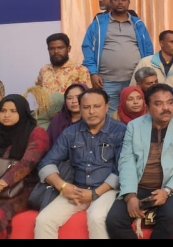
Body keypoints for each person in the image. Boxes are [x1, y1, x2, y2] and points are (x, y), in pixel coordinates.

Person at [106, 84, 173, 239]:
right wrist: (130, 196)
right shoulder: (135, 126)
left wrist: (167, 190)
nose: (166, 108)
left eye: (170, 102)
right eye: (159, 104)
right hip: (140, 185)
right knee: (114, 220)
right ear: (148, 107)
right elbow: (126, 161)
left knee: (168, 217)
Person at [34, 88, 126, 239]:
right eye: (86, 107)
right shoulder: (70, 132)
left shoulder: (120, 131)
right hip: (76, 190)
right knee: (44, 220)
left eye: (97, 106)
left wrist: (95, 193)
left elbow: (122, 170)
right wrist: (63, 186)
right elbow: (46, 163)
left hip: (107, 191)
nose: (91, 111)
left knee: (97, 218)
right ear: (80, 109)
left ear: (106, 107)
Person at [81, 0, 153, 114]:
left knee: (135, 114)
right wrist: (93, 73)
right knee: (109, 115)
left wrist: (146, 74)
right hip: (106, 81)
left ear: (129, 2)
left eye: (123, 0)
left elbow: (148, 49)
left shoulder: (138, 24)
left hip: (134, 80)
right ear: (111, 2)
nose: (120, 2)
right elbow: (88, 48)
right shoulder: (98, 23)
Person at [0, 95, 50, 239]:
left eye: (13, 111)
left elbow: (27, 163)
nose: (6, 115)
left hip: (23, 188)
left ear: (23, 112)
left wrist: (3, 182)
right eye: (3, 111)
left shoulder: (37, 133)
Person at [130, 30, 173, 103]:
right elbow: (133, 89)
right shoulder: (145, 62)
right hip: (147, 105)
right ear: (161, 43)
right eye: (171, 42)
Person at [46, 83, 88, 147]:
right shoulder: (57, 121)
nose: (74, 101)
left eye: (78, 97)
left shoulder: (92, 121)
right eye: (69, 98)